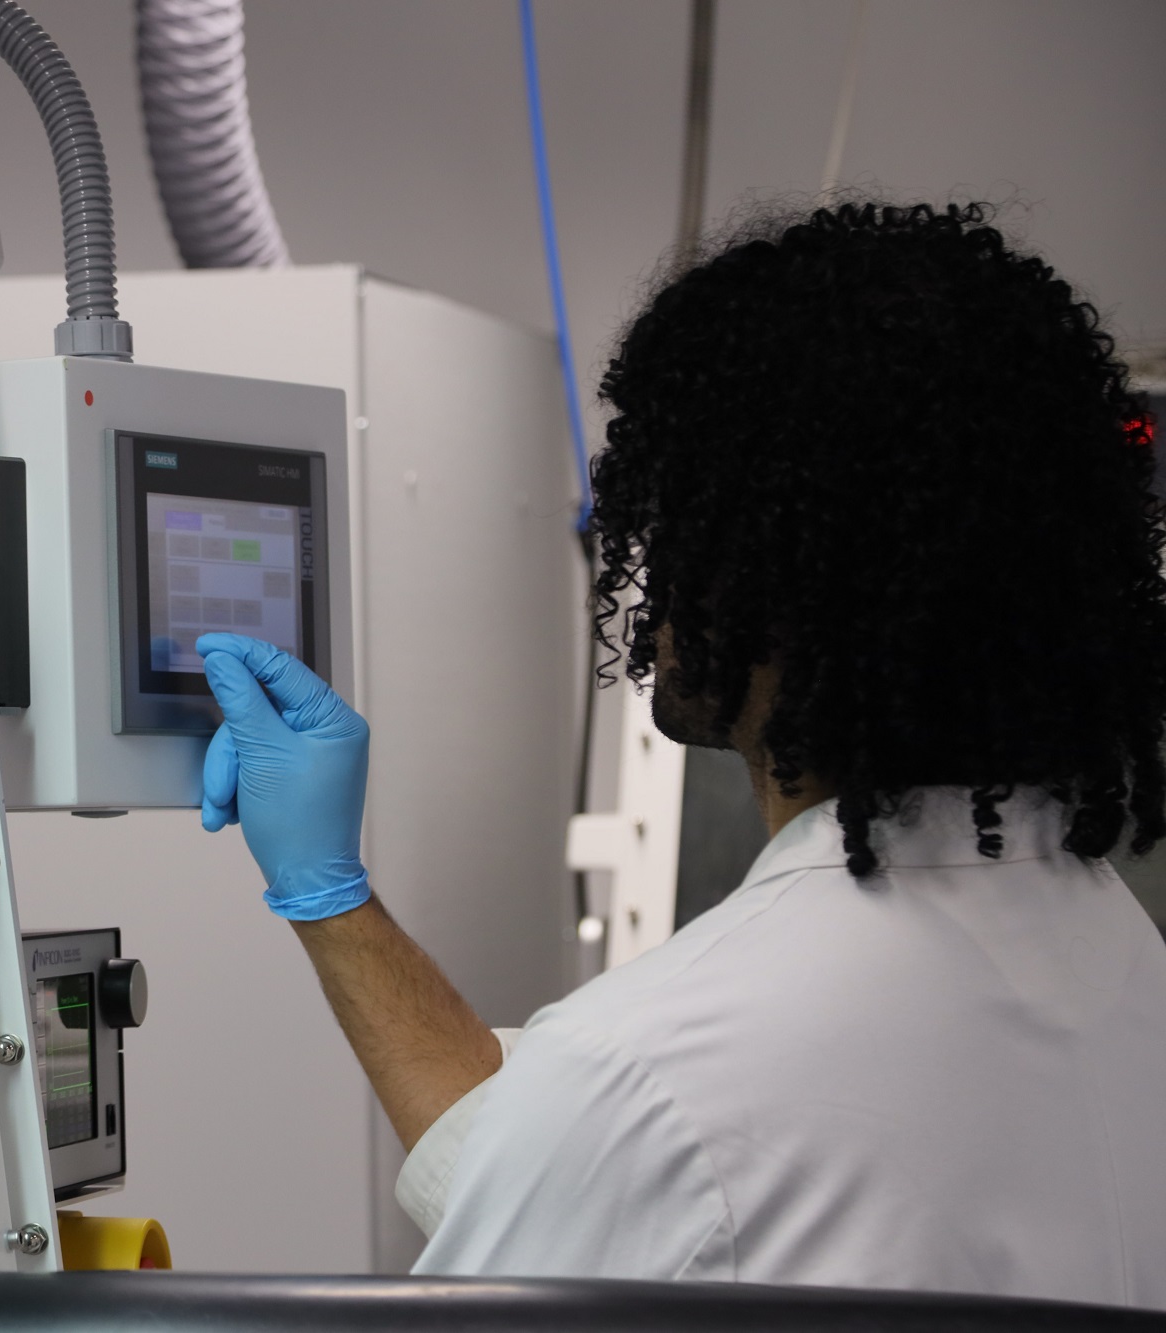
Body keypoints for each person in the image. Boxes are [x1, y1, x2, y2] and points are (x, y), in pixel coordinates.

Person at [196, 202, 1166, 1303]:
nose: (649, 584)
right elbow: (591, 1172)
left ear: (785, 569)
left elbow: (622, 1143)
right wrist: (328, 899)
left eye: (676, 519)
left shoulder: (652, 1075)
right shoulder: (1116, 960)